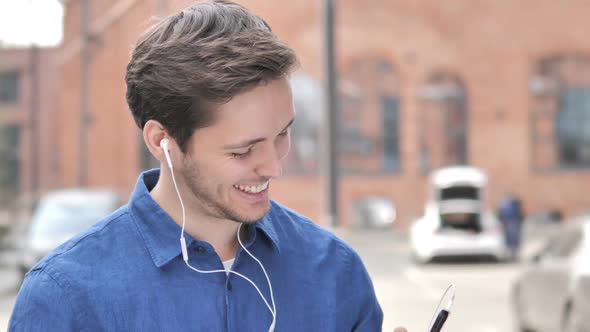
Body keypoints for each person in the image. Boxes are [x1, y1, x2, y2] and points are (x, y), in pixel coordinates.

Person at [9, 1, 408, 331]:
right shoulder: (66, 298)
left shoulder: (334, 270)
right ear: (162, 142)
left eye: (282, 134)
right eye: (242, 151)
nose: (273, 167)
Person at [497, 193, 524, 261]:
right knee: (511, 240)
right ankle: (511, 255)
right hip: (511, 223)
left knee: (511, 240)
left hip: (511, 223)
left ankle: (512, 255)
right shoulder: (511, 205)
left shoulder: (507, 204)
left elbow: (501, 214)